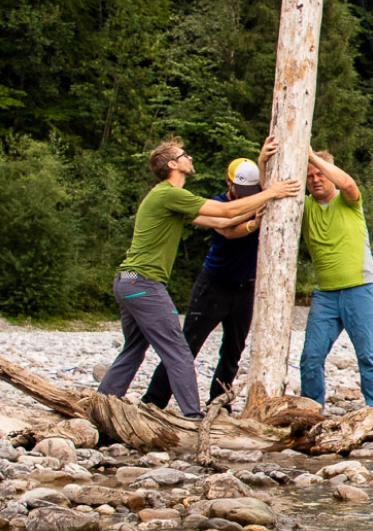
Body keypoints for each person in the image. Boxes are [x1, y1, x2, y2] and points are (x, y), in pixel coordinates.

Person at [99, 138, 296, 417]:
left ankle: (102, 403)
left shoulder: (170, 198)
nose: (189, 158)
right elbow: (227, 210)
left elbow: (223, 222)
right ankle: (193, 416)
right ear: (172, 164)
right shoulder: (169, 193)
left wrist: (256, 214)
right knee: (179, 351)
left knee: (133, 349)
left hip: (128, 280)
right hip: (142, 283)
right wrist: (273, 192)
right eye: (184, 155)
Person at [138, 158, 265, 410]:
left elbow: (266, 174)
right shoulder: (218, 203)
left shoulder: (258, 193)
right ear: (229, 182)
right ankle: (153, 401)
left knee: (233, 350)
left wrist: (262, 158)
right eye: (241, 190)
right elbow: (228, 229)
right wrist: (254, 223)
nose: (246, 195)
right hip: (214, 284)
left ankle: (218, 402)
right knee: (187, 344)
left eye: (251, 191)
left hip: (246, 287)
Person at [296, 150, 373, 428]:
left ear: (330, 175)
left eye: (321, 174)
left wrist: (313, 157)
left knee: (369, 357)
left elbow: (349, 185)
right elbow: (271, 190)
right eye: (310, 176)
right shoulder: (303, 206)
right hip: (325, 294)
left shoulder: (347, 200)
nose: (316, 180)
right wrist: (265, 161)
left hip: (360, 288)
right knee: (310, 358)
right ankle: (311, 417)